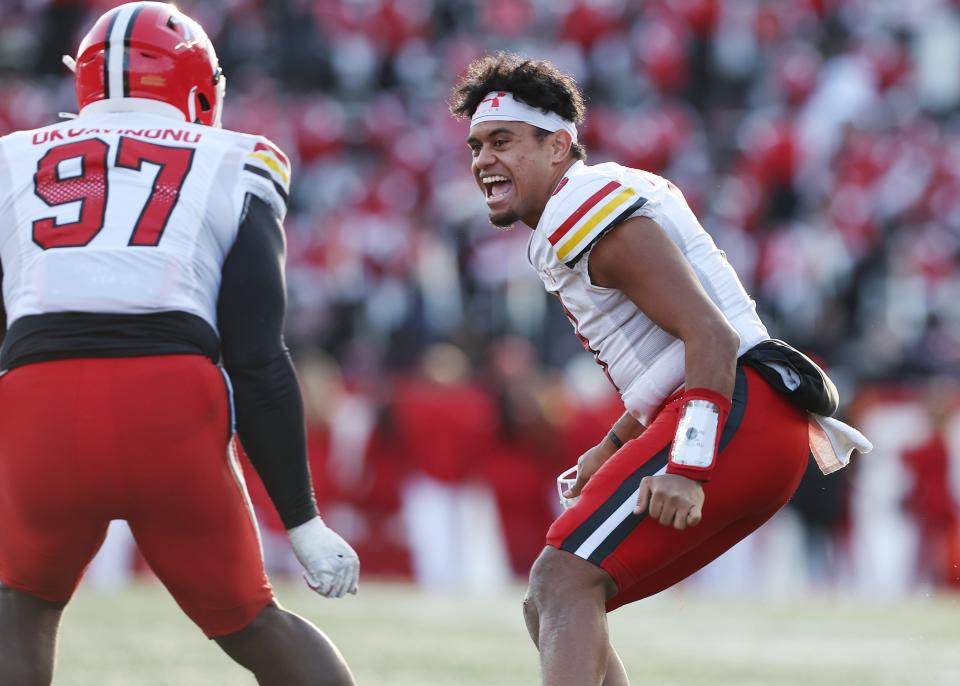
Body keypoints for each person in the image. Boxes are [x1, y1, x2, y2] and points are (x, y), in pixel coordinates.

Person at [449, 53, 872, 686]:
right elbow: (666, 354)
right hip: (737, 412)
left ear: (559, 145)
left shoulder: (584, 204)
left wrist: (687, 466)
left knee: (561, 580)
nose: (484, 160)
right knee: (556, 598)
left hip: (736, 411)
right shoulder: (589, 201)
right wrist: (616, 443)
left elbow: (710, 334)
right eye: (477, 145)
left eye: (503, 141)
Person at [0, 4, 358, 685]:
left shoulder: (10, 156)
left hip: (37, 398)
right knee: (253, 621)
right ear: (197, 85)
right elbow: (255, 354)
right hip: (165, 399)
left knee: (20, 606)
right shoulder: (236, 158)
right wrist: (302, 521)